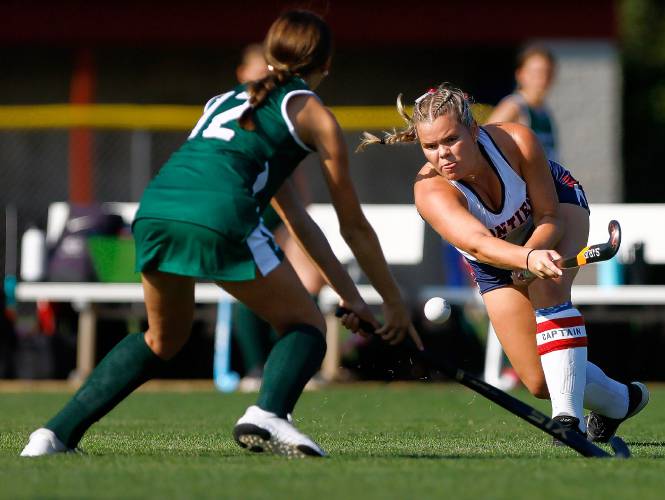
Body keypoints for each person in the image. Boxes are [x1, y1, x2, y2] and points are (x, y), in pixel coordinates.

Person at [21, 10, 421, 458]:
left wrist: (351, 296)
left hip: (156, 210)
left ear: (270, 55)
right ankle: (268, 413)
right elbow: (353, 224)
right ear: (326, 65)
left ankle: (53, 435)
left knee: (161, 338)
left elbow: (298, 220)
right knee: (305, 325)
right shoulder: (314, 114)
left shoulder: (229, 100)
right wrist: (392, 301)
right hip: (219, 214)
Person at [358, 83, 649, 442]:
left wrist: (533, 256)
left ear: (475, 130)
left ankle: (566, 421)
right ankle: (624, 401)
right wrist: (523, 259)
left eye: (451, 140)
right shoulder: (429, 190)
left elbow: (549, 217)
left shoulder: (516, 141)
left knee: (547, 286)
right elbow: (479, 245)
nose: (442, 155)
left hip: (557, 210)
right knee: (540, 380)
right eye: (430, 146)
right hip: (495, 256)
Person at [233, 43, 327, 392]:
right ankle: (258, 367)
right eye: (259, 69)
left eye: (271, 70)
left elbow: (287, 175)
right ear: (241, 74)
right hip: (240, 213)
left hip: (278, 211)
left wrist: (300, 213)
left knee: (307, 278)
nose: (266, 76)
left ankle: (300, 364)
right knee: (250, 281)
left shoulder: (283, 111)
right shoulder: (230, 108)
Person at [487, 43, 558, 160]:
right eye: (537, 72)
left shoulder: (544, 111)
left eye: (548, 72)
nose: (543, 78)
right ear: (520, 75)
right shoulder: (513, 106)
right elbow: (484, 144)